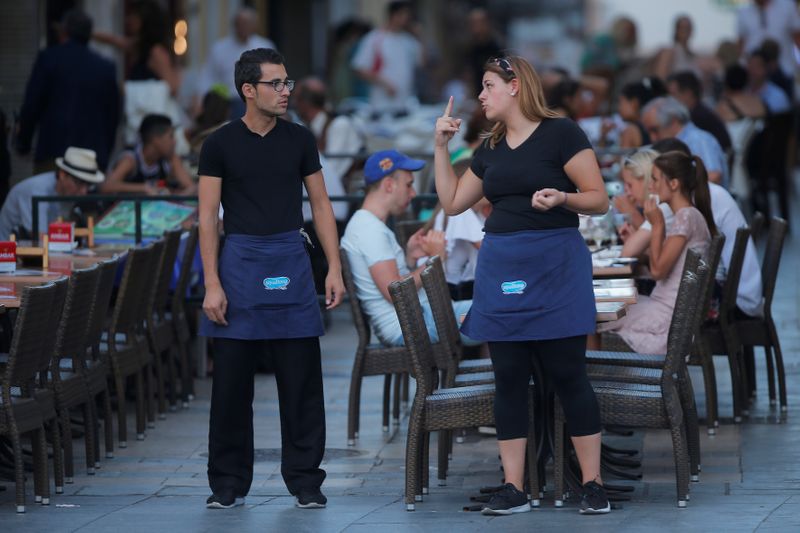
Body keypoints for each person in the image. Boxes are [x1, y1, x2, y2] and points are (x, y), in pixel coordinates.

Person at [434, 56, 610, 515]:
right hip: (503, 266)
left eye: (489, 85)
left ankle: (592, 484)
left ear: (515, 87)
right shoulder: (490, 147)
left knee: (569, 374)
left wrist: (563, 197)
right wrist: (439, 147)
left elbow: (600, 198)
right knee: (509, 377)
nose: (481, 95)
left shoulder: (561, 133)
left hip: (555, 263)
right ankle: (515, 487)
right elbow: (452, 203)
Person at [197, 48, 345, 510]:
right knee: (231, 386)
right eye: (276, 84)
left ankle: (305, 481)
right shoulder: (218, 143)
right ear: (248, 90)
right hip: (238, 265)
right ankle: (226, 483)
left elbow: (320, 205)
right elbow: (206, 217)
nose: (285, 92)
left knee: (302, 382)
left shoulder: (299, 139)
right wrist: (212, 283)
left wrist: (334, 268)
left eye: (287, 83)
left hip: (291, 261)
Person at [341, 149, 478, 347]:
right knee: (497, 312)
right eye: (409, 184)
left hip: (418, 319)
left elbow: (390, 283)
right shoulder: (369, 229)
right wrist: (435, 260)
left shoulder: (368, 225)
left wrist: (409, 259)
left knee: (497, 311)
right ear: (389, 185)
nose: (413, 193)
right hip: (411, 326)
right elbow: (393, 291)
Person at [601, 150, 714, 353]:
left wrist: (658, 225)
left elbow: (658, 271)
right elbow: (664, 262)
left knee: (591, 314)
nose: (650, 186)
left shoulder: (686, 216)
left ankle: (594, 377)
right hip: (668, 309)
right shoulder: (687, 214)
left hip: (667, 318)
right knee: (599, 308)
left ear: (673, 184)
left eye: (654, 179)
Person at [649, 138, 764, 317]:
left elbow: (655, 264)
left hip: (732, 299)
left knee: (647, 294)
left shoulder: (685, 205)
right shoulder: (702, 193)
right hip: (741, 291)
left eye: (655, 178)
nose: (651, 185)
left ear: (673, 180)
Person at [16, 8, 119, 173]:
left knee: (49, 196)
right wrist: (104, 155)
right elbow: (113, 117)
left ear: (64, 31)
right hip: (91, 158)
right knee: (85, 199)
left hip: (54, 154)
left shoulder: (49, 59)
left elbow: (32, 104)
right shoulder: (105, 67)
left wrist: (23, 142)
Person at [0, 146, 104, 240]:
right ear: (62, 174)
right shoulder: (37, 190)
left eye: (88, 185)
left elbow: (60, 231)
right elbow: (40, 238)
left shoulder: (67, 191)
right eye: (79, 183)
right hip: (7, 255)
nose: (84, 191)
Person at [200, 7, 277, 118]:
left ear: (254, 25)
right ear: (235, 25)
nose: (244, 27)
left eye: (248, 23)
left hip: (258, 102)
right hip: (227, 103)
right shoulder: (219, 48)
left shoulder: (265, 46)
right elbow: (207, 77)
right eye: (241, 23)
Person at [641, 96, 729, 187]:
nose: (652, 138)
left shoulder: (699, 139)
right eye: (649, 132)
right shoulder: (674, 143)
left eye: (655, 130)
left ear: (673, 121)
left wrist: (680, 191)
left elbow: (714, 175)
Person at [351, 1, 423, 110]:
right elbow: (359, 68)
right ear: (394, 15)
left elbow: (421, 62)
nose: (406, 19)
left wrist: (420, 36)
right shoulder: (375, 38)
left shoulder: (408, 40)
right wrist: (385, 84)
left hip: (405, 103)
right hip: (381, 103)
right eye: (403, 15)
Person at [101, 114, 196, 196]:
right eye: (171, 136)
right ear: (156, 140)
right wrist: (143, 188)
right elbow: (106, 186)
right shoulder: (130, 160)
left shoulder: (171, 158)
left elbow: (191, 187)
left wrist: (172, 195)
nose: (174, 142)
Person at [737, 0, 800, 89]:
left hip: (784, 71)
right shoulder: (743, 12)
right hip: (754, 77)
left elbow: (797, 37)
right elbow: (741, 44)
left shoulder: (787, 6)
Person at [667, 70, 732, 152]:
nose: (669, 100)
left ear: (688, 93)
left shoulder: (700, 117)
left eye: (673, 94)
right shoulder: (699, 113)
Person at [607, 77, 667, 148]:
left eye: (621, 102)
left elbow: (622, 158)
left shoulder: (630, 131)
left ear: (634, 103)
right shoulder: (658, 126)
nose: (619, 108)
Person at [653, 15, 699, 80]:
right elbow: (660, 79)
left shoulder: (693, 56)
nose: (685, 31)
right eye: (682, 28)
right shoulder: (669, 52)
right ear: (676, 30)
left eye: (687, 28)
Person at [746, 49, 791, 114]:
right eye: (750, 65)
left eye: (757, 66)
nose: (752, 70)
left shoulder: (778, 97)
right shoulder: (742, 92)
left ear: (766, 69)